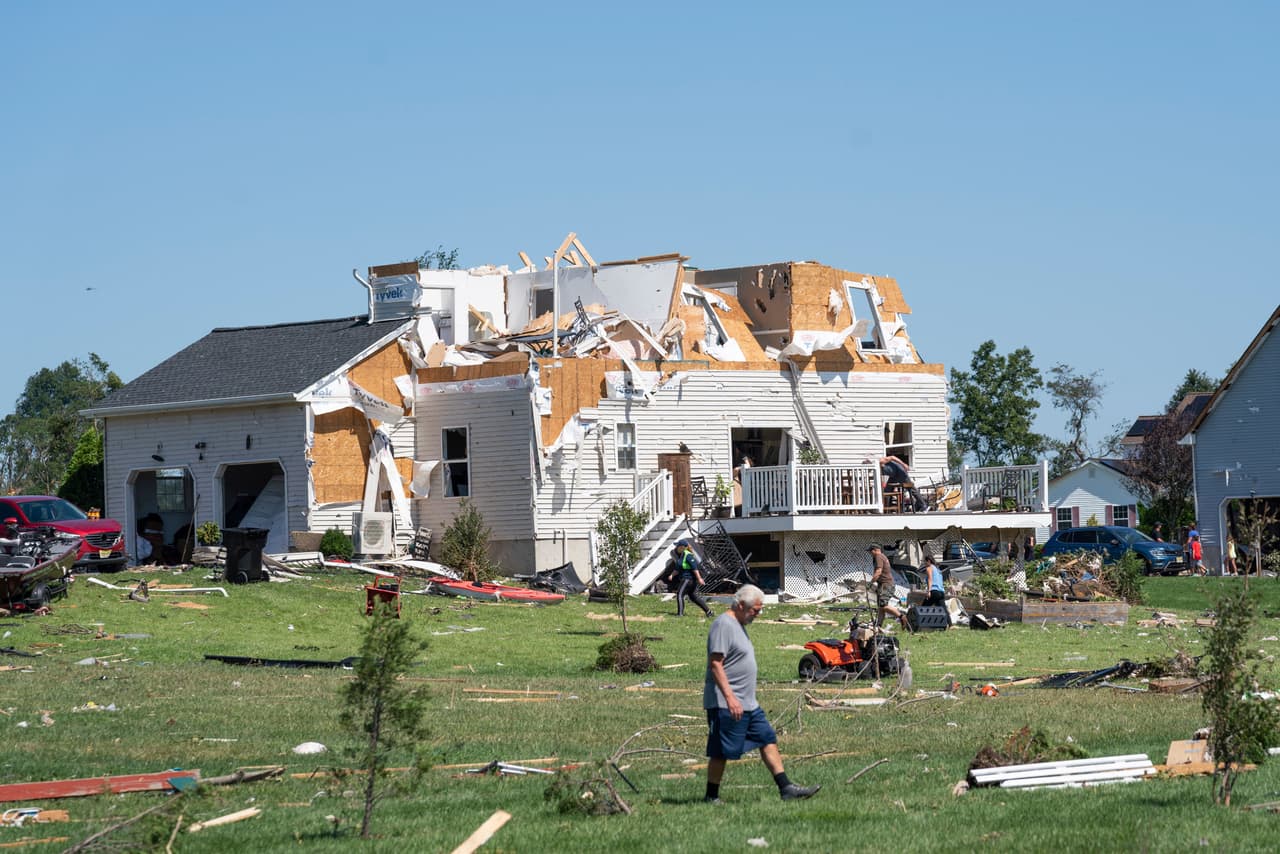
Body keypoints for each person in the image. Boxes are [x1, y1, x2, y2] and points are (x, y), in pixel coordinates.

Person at [703, 584, 819, 803]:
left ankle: (786, 789)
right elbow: (716, 664)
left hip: (748, 703)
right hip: (727, 702)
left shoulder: (738, 623)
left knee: (767, 738)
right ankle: (711, 796)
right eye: (755, 610)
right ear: (739, 605)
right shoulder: (723, 625)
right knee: (721, 750)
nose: (758, 614)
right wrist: (729, 698)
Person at [868, 543, 909, 631]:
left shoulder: (878, 556)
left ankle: (902, 616)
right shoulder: (883, 556)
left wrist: (871, 583)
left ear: (874, 550)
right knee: (881, 607)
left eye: (870, 552)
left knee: (884, 606)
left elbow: (879, 571)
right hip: (883, 584)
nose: (870, 554)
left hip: (886, 584)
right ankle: (878, 626)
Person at [674, 540, 713, 618]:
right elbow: (678, 569)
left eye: (677, 546)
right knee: (693, 597)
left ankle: (680, 614)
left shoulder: (688, 555)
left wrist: (699, 579)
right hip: (687, 579)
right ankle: (709, 612)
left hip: (688, 579)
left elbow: (695, 568)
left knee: (680, 595)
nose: (676, 547)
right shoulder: (681, 555)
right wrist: (671, 575)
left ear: (681, 547)